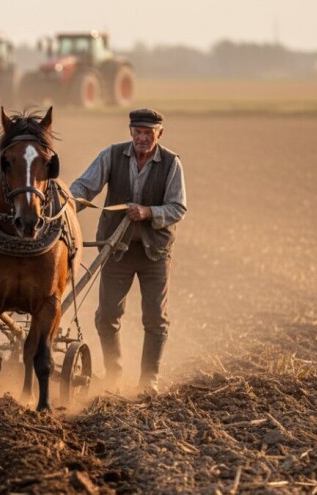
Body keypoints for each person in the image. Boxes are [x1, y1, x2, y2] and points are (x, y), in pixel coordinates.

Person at [69, 108, 187, 395]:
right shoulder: (111, 155)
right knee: (107, 314)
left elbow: (178, 208)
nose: (142, 137)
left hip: (154, 252)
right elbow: (84, 186)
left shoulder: (171, 164)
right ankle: (114, 374)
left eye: (149, 132)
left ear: (159, 134)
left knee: (155, 318)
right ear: (130, 131)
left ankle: (149, 381)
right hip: (116, 249)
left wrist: (148, 212)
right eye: (138, 131)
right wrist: (68, 204)